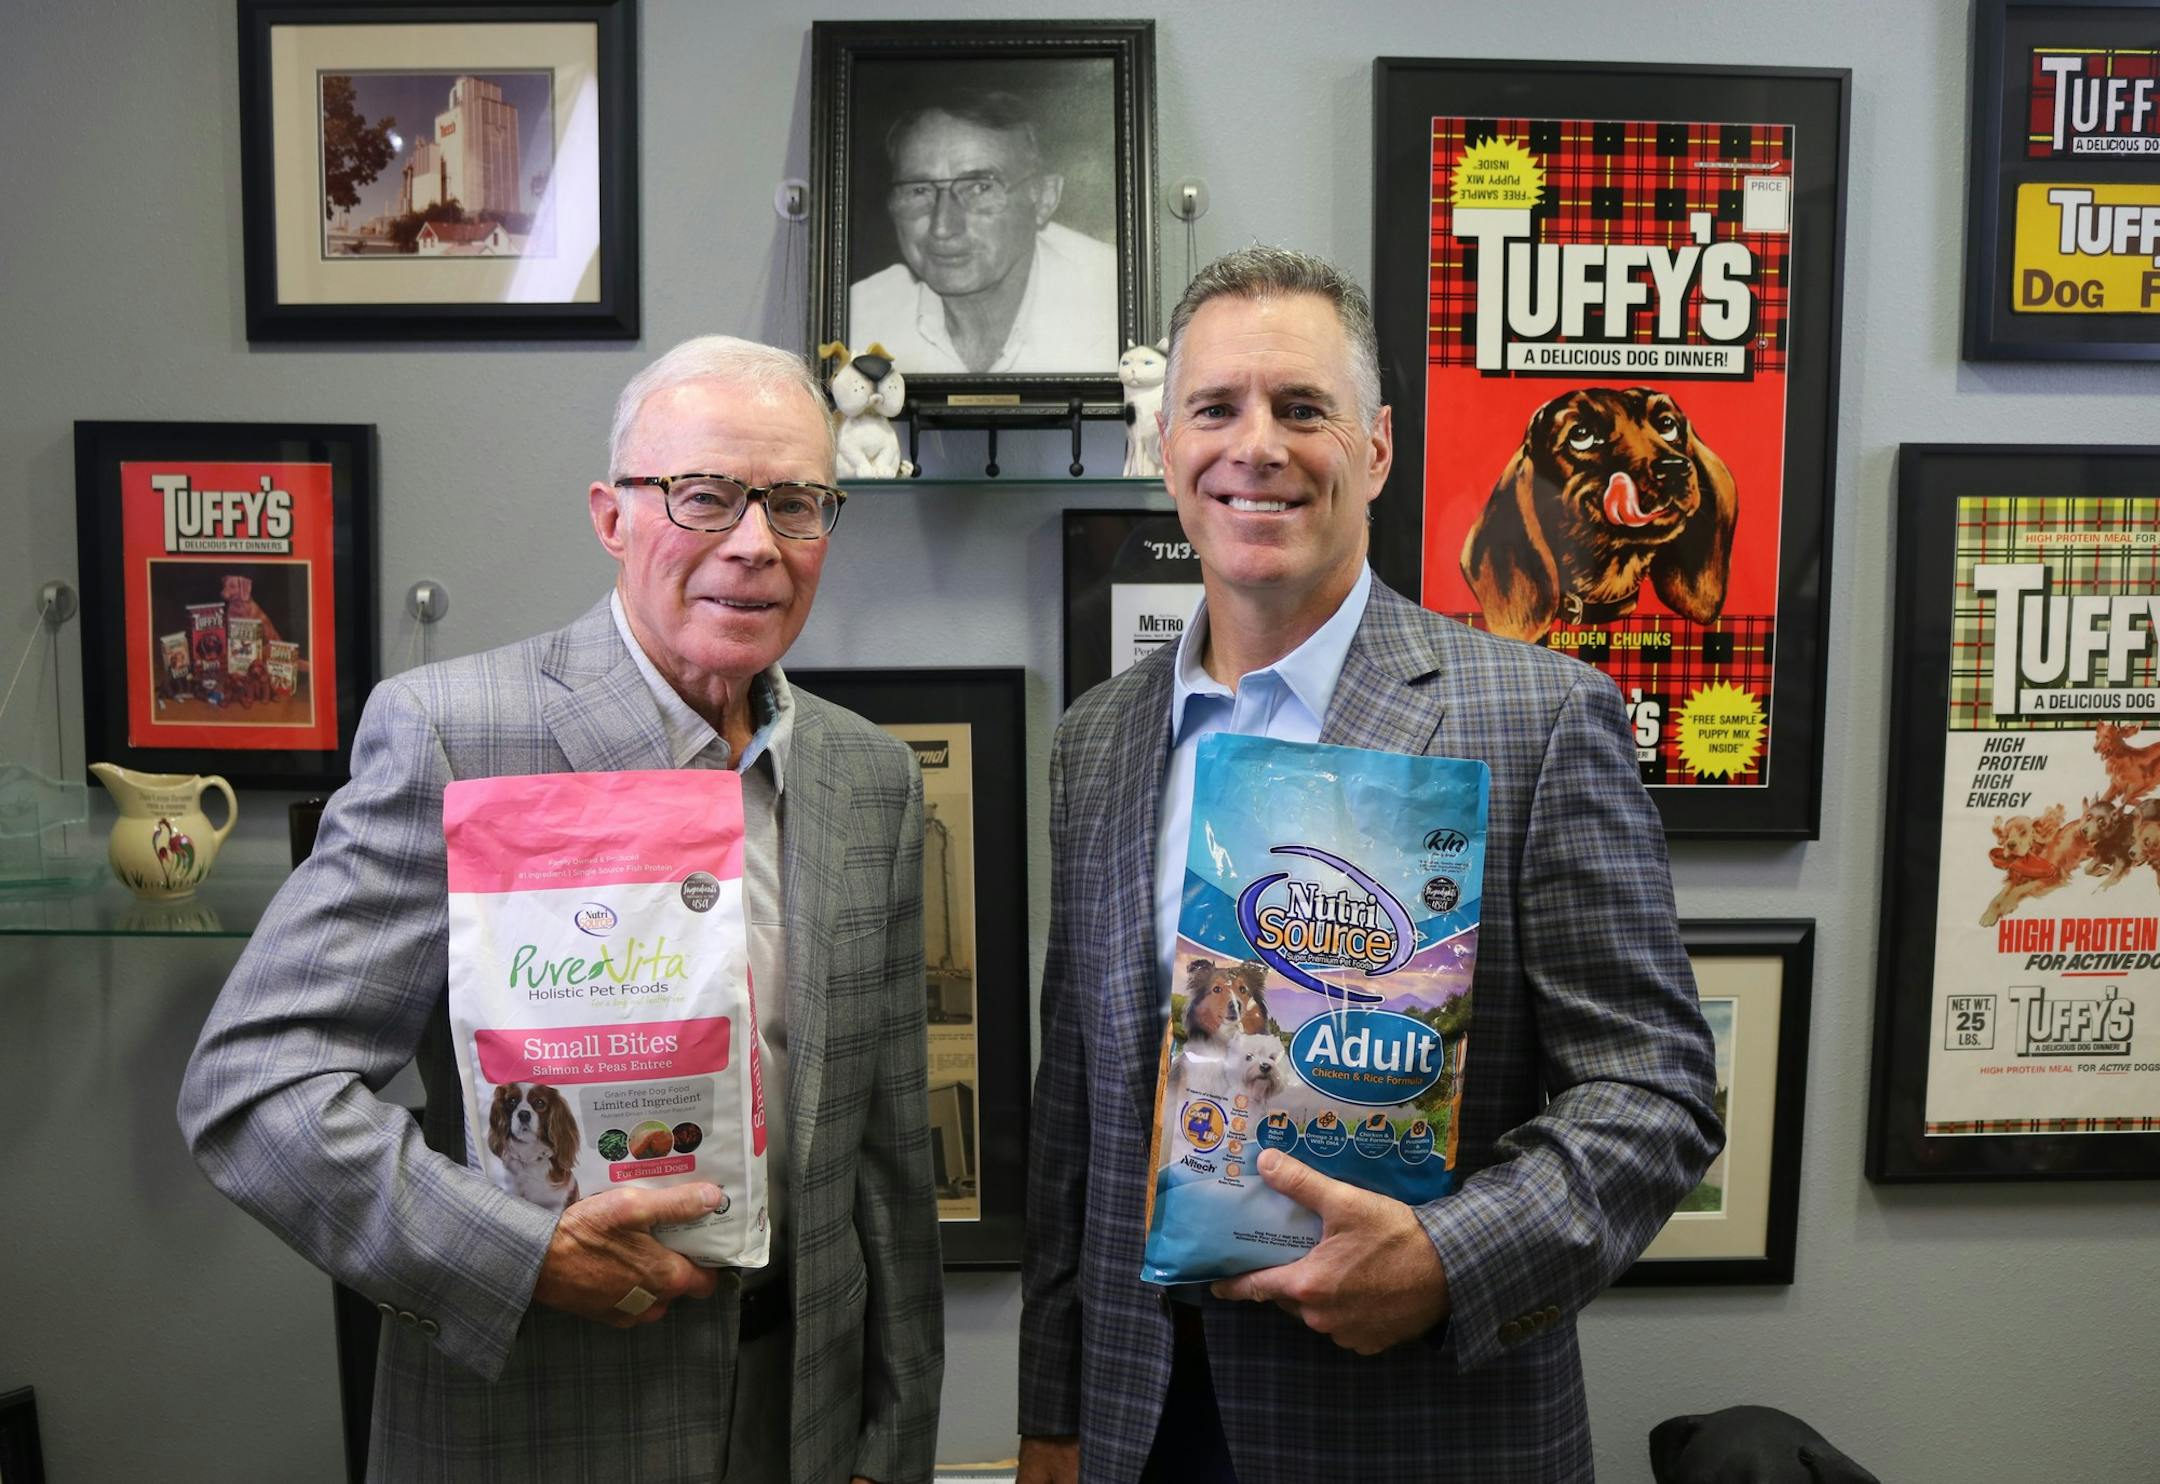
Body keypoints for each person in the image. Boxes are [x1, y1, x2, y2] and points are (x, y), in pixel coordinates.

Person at [179, 335, 943, 1483]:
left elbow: (887, 1160)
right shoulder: (456, 734)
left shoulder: (868, 777)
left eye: (795, 503)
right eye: (704, 496)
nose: (754, 542)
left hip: (804, 1416)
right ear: (612, 515)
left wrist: (896, 1438)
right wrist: (520, 1251)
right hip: (542, 1417)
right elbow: (252, 1085)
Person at [1017, 247, 1722, 1484]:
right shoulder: (1097, 741)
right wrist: (1054, 1415)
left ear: (1378, 447)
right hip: (1146, 1424)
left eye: (1303, 409)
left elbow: (1654, 1091)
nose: (1259, 447)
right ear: (1162, 444)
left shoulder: (1542, 717)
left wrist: (1448, 1257)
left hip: (1419, 1433)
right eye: (1216, 408)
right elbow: (1076, 1113)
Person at [848, 91, 1117, 376]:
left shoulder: (1111, 301)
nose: (942, 228)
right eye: (919, 191)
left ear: (1043, 198)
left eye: (979, 188)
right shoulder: (861, 321)